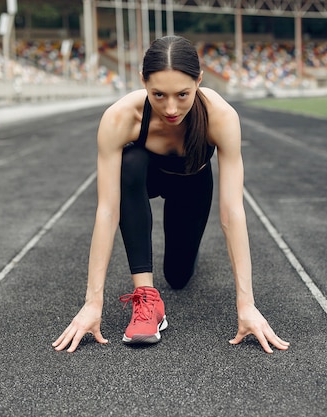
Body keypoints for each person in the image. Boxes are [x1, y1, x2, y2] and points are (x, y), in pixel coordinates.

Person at [52, 36, 289, 353]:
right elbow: (108, 211)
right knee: (130, 163)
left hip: (192, 184)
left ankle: (178, 266)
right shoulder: (120, 118)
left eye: (183, 94)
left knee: (178, 277)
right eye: (158, 95)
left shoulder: (221, 117)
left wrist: (246, 305)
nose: (171, 108)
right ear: (143, 82)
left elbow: (233, 212)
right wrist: (92, 303)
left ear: (199, 81)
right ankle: (146, 297)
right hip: (143, 179)